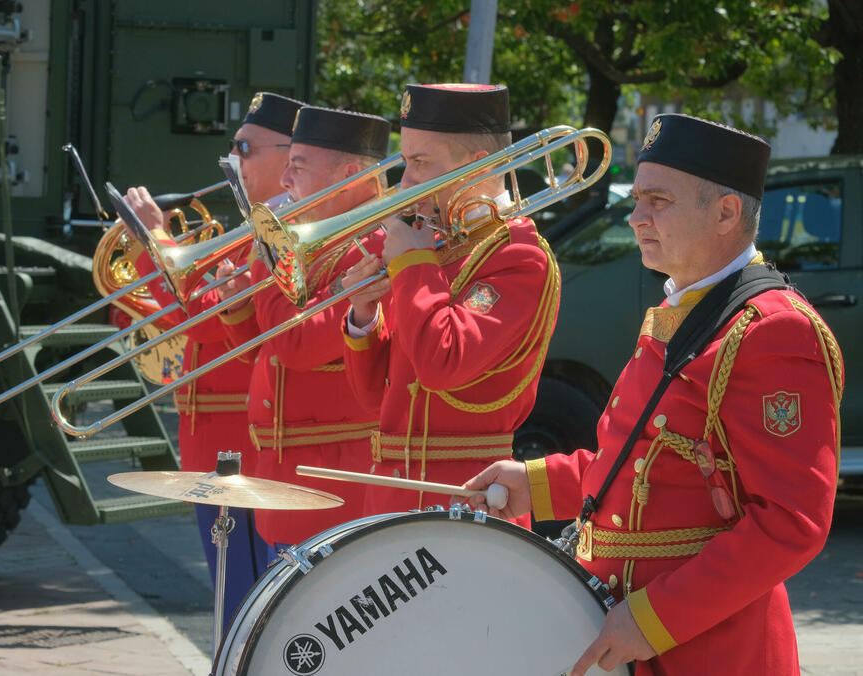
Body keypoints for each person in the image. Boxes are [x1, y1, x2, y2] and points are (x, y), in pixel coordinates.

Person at [463, 114, 843, 676]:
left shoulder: (772, 331)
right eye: (639, 198)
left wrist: (655, 618)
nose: (637, 217)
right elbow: (647, 466)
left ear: (726, 213)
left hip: (710, 652)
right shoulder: (684, 308)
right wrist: (537, 484)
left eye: (658, 201)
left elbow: (791, 523)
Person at [123, 91, 304, 624]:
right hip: (217, 444)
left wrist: (152, 242)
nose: (234, 162)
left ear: (290, 154)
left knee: (245, 611)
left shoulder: (280, 234)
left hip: (242, 448)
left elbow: (201, 318)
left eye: (245, 149)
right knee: (235, 605)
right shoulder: (250, 230)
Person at [340, 83, 560, 515]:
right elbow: (373, 402)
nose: (405, 182)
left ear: (476, 167)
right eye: (407, 162)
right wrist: (364, 316)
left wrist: (414, 263)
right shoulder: (434, 246)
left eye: (420, 163)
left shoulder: (518, 256)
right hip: (390, 500)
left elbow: (442, 365)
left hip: (469, 503)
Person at [219, 105, 391, 551]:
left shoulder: (379, 245)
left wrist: (264, 255)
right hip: (283, 474)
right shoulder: (317, 241)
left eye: (297, 167)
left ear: (351, 174)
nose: (283, 182)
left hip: (336, 483)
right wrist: (236, 302)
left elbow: (296, 343)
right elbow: (262, 351)